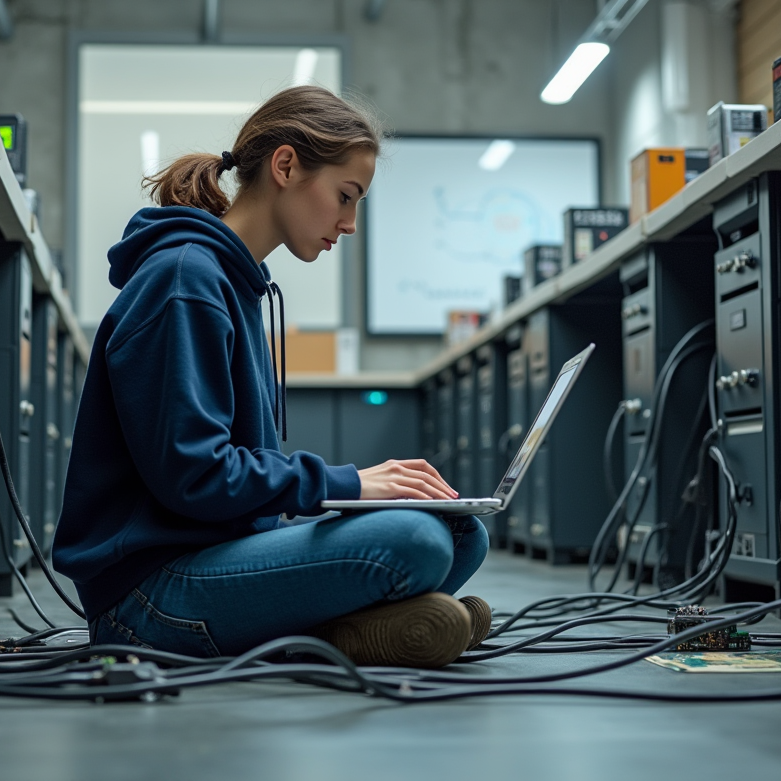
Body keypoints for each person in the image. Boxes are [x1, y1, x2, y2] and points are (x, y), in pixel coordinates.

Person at [52, 86, 490, 668]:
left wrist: (345, 494)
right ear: (286, 165)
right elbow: (197, 475)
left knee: (461, 534)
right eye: (345, 195)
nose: (351, 222)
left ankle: (335, 631)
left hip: (218, 552)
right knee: (414, 541)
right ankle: (336, 631)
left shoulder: (235, 282)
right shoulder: (184, 280)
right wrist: (349, 485)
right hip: (145, 599)